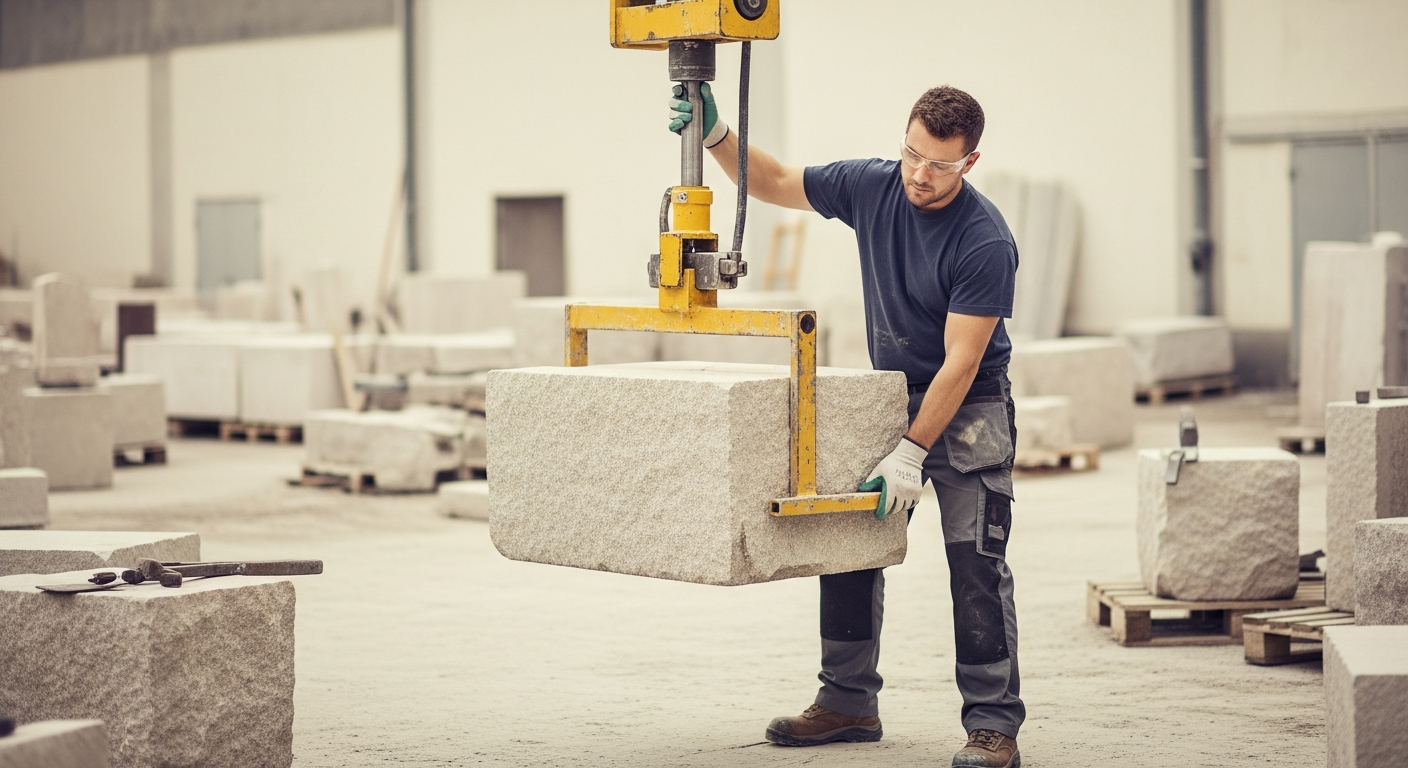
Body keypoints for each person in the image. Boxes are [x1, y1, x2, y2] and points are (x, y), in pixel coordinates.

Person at [670, 83, 1024, 768]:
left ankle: (993, 725)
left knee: (976, 564)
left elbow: (961, 361)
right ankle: (847, 702)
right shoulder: (873, 187)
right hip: (887, 395)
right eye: (913, 154)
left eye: (939, 166)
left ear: (970, 163)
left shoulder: (984, 242)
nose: (920, 175)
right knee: (845, 543)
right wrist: (716, 134)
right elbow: (772, 181)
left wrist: (913, 452)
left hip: (969, 408)